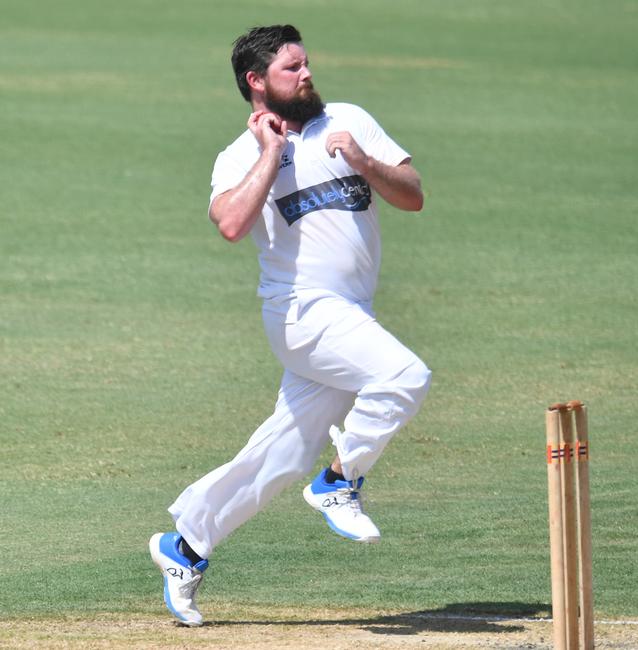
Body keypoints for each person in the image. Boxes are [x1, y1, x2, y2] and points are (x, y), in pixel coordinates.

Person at [149, 24, 431, 627]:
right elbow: (228, 224)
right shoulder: (238, 155)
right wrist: (272, 154)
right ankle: (339, 480)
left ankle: (187, 544)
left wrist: (362, 158)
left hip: (350, 312)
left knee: (283, 451)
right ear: (256, 83)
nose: (306, 75)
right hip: (301, 312)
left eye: (306, 65)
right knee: (405, 376)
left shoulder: (349, 119)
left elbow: (412, 195)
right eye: (290, 69)